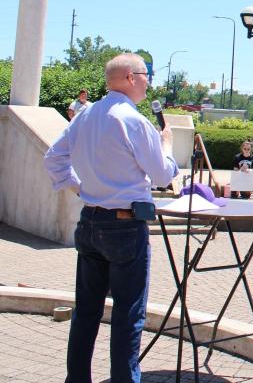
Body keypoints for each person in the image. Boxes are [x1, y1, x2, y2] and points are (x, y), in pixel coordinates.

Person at [44, 53, 179, 383]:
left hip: (90, 222)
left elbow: (53, 159)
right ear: (131, 78)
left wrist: (82, 190)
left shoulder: (86, 115)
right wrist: (167, 147)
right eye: (146, 74)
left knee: (86, 313)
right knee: (127, 315)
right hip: (124, 227)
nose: (149, 80)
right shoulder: (134, 121)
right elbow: (162, 175)